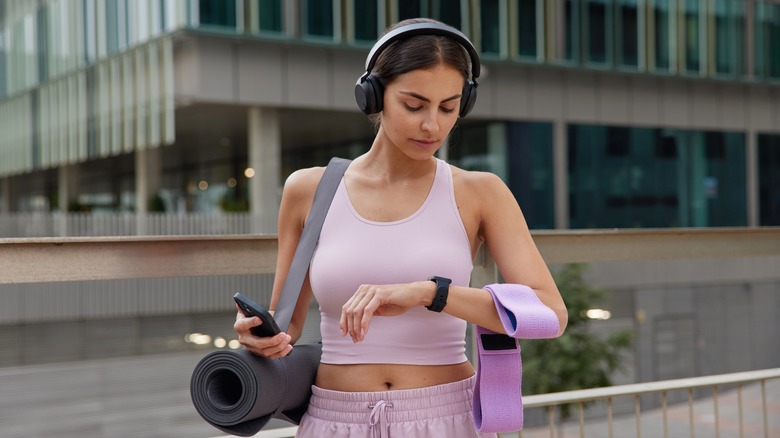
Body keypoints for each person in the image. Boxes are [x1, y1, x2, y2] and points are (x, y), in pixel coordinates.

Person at [234, 17, 567, 437]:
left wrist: (431, 292)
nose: (433, 126)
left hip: (448, 419)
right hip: (335, 421)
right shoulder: (309, 190)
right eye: (414, 105)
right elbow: (288, 325)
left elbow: (550, 315)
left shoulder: (480, 191)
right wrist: (260, 336)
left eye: (448, 107)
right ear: (373, 96)